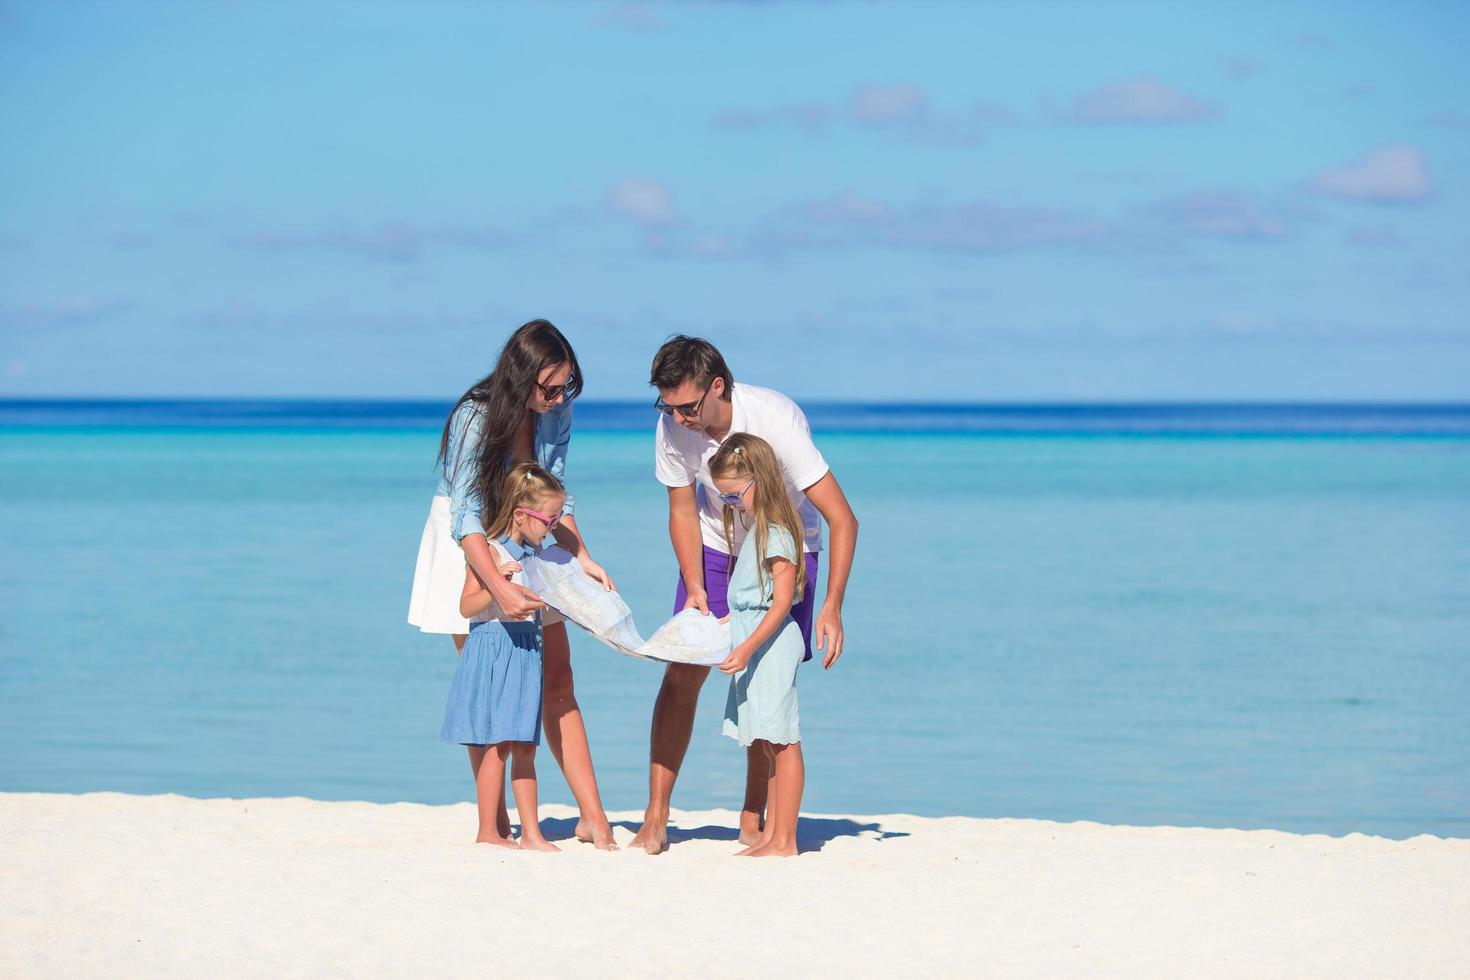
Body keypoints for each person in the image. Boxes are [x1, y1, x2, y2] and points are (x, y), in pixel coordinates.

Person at [629, 336, 858, 854]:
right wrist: (693, 585)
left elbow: (841, 517)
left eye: (689, 406)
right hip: (714, 547)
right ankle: (657, 816)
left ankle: (753, 816)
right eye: (669, 407)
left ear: (717, 387)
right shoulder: (671, 424)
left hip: (786, 547)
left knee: (766, 682)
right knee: (682, 670)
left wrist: (833, 604)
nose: (680, 417)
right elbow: (683, 509)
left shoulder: (774, 420)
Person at [407, 319, 617, 850]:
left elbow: (556, 496)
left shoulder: (557, 412)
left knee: (558, 680)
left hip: (531, 533)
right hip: (470, 542)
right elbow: (466, 517)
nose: (556, 398)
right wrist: (497, 590)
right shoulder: (475, 417)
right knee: (490, 686)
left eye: (565, 387)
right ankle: (493, 824)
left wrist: (583, 558)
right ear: (520, 377)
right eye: (548, 388)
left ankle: (594, 818)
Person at [440, 463, 564, 851]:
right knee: (496, 743)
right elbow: (465, 607)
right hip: (493, 650)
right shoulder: (487, 551)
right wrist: (499, 587)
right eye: (549, 519)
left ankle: (532, 833)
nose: (553, 526)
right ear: (520, 515)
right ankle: (488, 830)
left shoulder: (537, 555)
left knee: (526, 744)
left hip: (527, 649)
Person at [709, 435, 810, 857]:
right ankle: (772, 834)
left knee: (783, 741)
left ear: (758, 482)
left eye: (734, 496)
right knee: (768, 740)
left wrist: (747, 646)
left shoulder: (777, 531)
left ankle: (784, 839)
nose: (731, 505)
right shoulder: (757, 530)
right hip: (756, 640)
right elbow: (756, 593)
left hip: (770, 646)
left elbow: (783, 602)